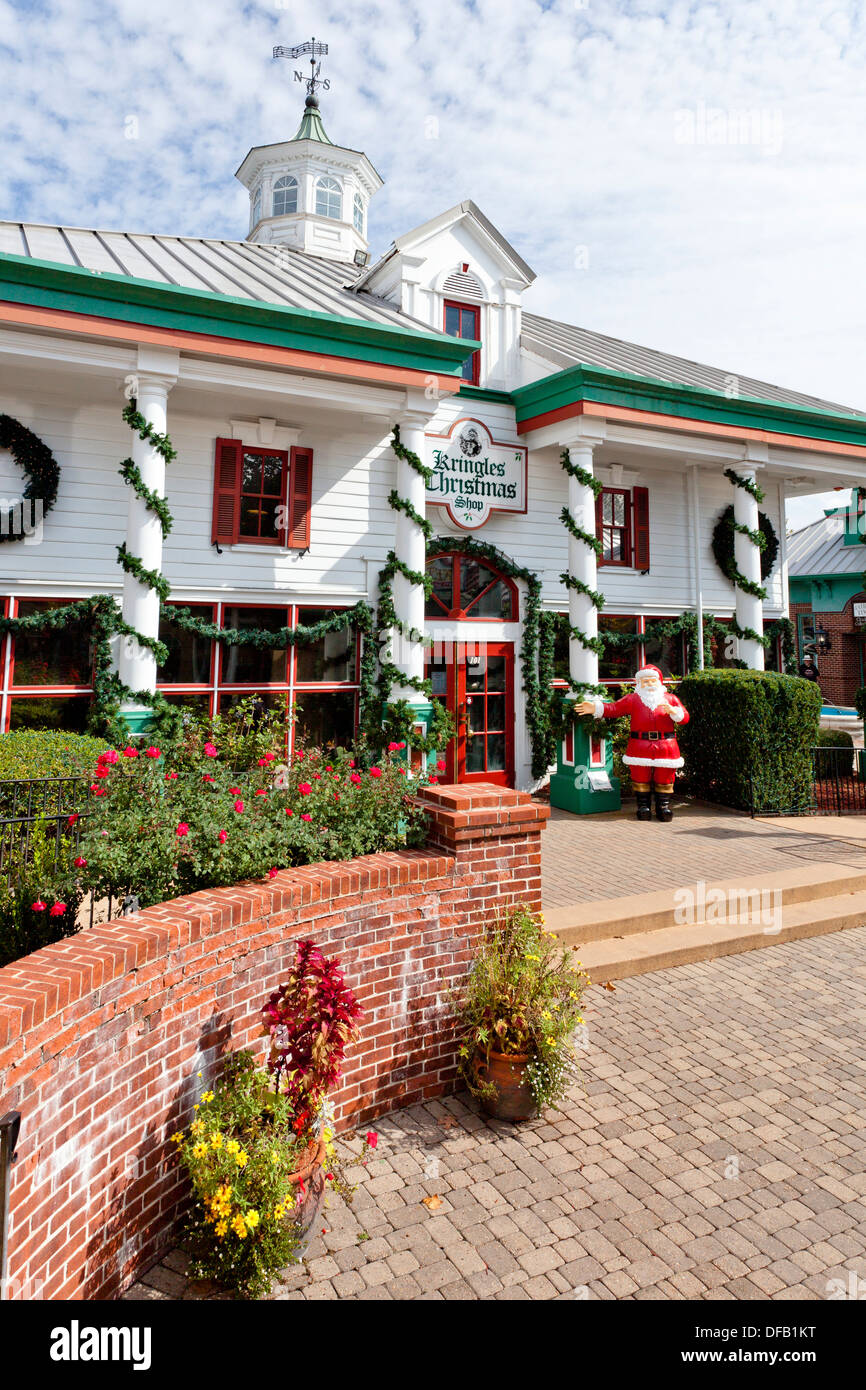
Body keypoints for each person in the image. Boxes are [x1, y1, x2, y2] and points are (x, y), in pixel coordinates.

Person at [575, 664, 689, 823]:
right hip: (639, 745)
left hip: (666, 745)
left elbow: (685, 718)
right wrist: (595, 707)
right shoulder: (633, 699)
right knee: (640, 775)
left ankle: (663, 807)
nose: (649, 684)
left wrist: (674, 712)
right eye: (645, 681)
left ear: (659, 682)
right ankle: (643, 807)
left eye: (652, 681)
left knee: (665, 776)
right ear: (639, 684)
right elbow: (614, 709)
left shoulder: (670, 699)